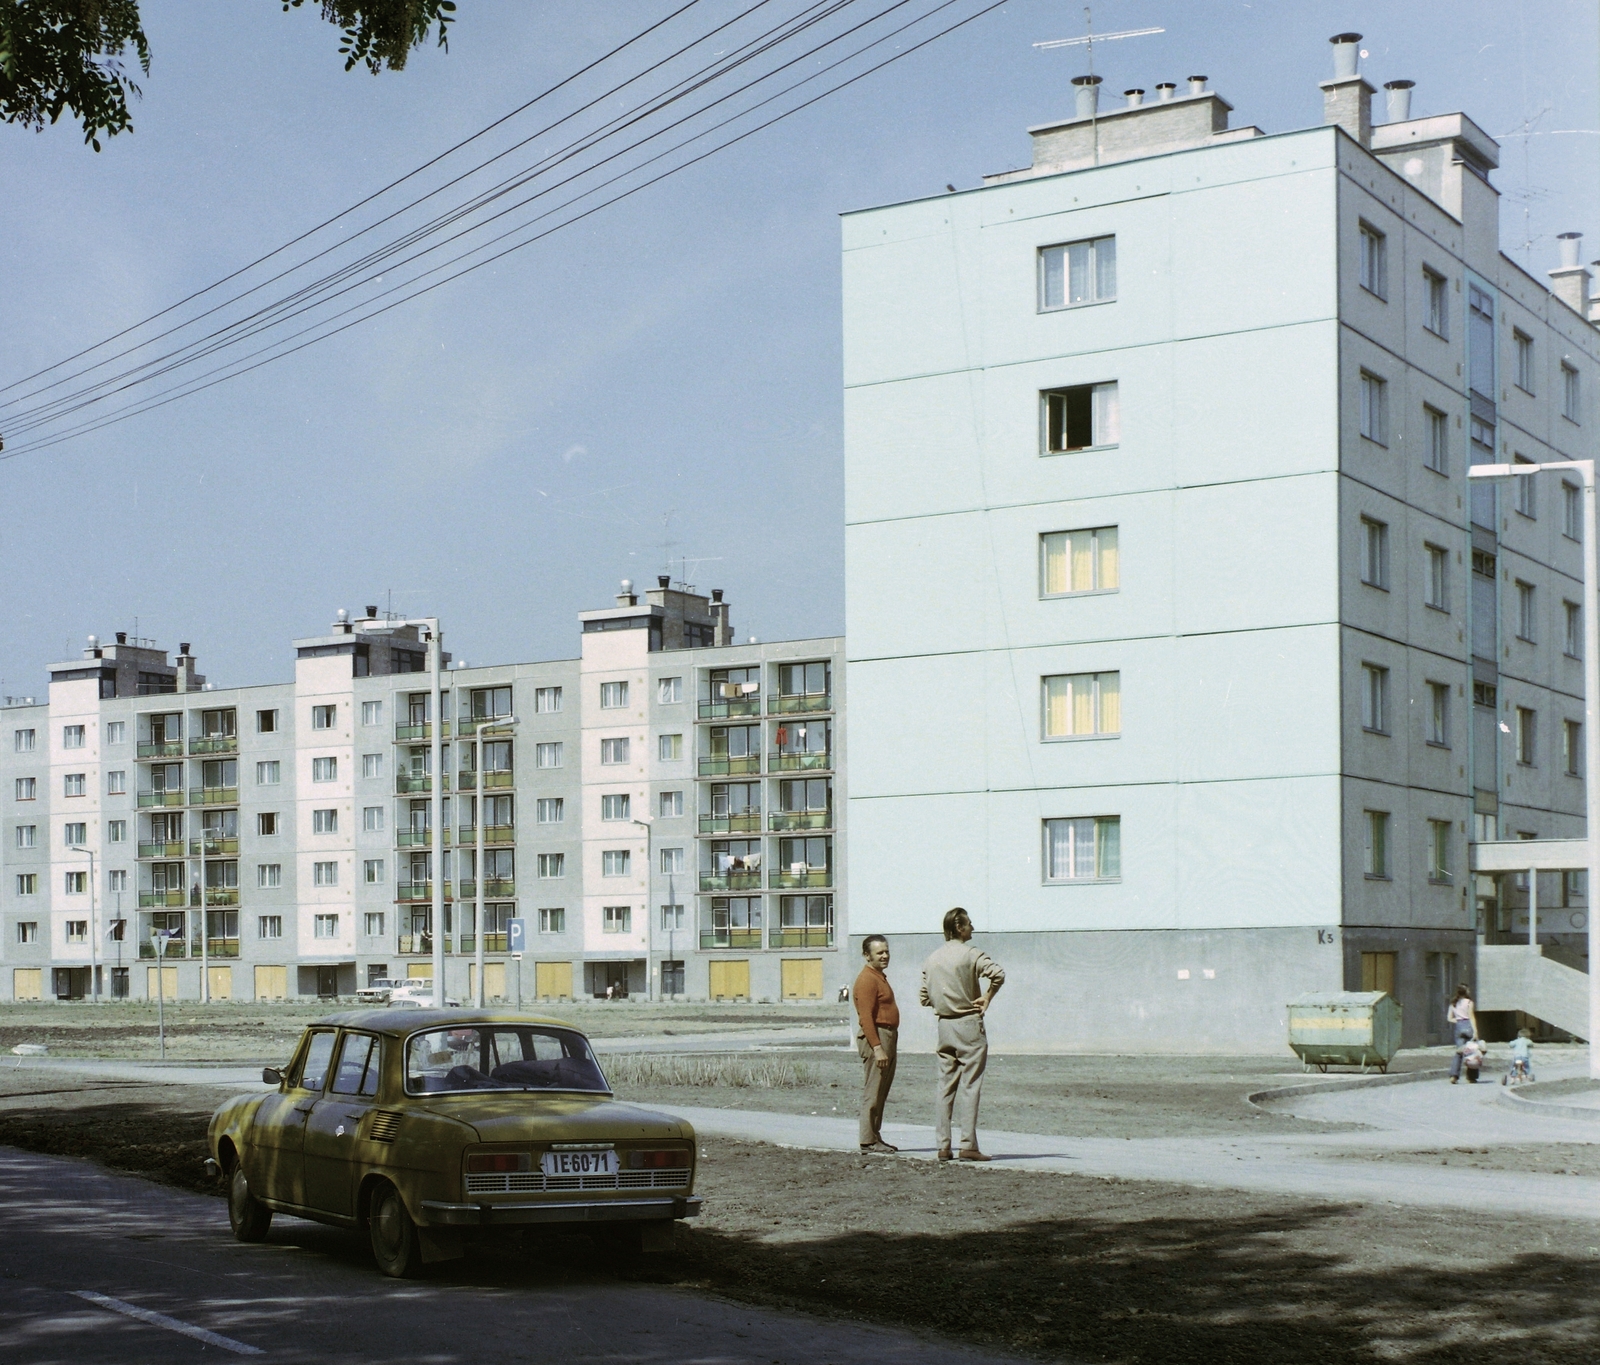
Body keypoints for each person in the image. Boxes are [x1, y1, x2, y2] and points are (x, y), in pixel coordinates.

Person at [919, 907, 1004, 1162]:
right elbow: (998, 974)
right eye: (969, 924)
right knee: (970, 1086)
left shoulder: (932, 958)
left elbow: (924, 997)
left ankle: (943, 1146)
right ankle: (968, 1144)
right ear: (959, 927)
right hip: (968, 1023)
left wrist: (945, 1000)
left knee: (944, 1087)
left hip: (944, 1025)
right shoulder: (971, 954)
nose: (972, 928)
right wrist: (987, 996)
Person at [853, 935, 900, 1155]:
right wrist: (878, 1047)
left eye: (886, 951)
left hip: (888, 1036)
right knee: (873, 1090)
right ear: (867, 955)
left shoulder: (878, 977)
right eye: (879, 952)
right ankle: (867, 1141)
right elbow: (866, 1018)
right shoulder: (866, 980)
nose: (885, 956)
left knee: (881, 1090)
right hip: (878, 1038)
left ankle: (874, 1136)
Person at [1447, 984, 1478, 1084]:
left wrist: (1459, 1021)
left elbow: (1449, 1018)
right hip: (1468, 1025)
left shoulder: (1453, 1003)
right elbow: (1471, 1017)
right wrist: (1476, 1031)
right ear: (1466, 991)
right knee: (1472, 1052)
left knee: (1459, 1052)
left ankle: (1454, 1076)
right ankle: (1471, 1077)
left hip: (1459, 1026)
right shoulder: (1469, 1002)